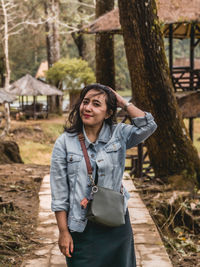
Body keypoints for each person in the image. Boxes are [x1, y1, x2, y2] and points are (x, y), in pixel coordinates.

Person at [50, 83, 157, 267]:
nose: (88, 108)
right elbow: (59, 194)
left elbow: (148, 125)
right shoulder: (64, 143)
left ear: (108, 113)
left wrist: (122, 102)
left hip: (115, 224)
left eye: (96, 104)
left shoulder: (119, 134)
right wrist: (63, 231)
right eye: (85, 102)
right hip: (80, 228)